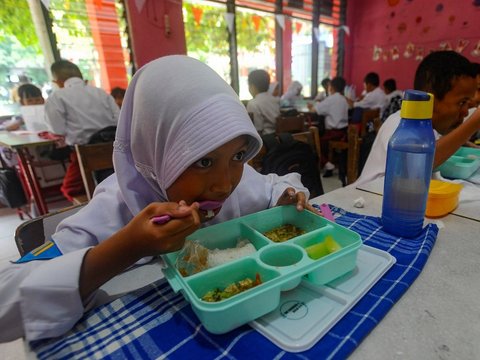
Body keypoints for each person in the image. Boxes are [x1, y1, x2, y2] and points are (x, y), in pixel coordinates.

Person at [0, 56, 316, 342]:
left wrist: (286, 195)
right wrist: (128, 247)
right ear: (155, 152)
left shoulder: (241, 180)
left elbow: (276, 184)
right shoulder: (113, 207)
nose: (223, 185)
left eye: (237, 155)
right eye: (203, 161)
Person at [356, 51, 480, 186]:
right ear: (430, 99)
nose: (465, 112)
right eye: (462, 103)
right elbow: (419, 164)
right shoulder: (401, 123)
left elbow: (438, 143)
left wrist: (466, 142)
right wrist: (473, 123)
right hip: (370, 197)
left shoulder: (428, 126)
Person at [44, 60, 120, 202]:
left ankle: (91, 209)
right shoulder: (100, 93)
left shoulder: (58, 96)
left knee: (70, 187)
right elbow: (118, 118)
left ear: (57, 81)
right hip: (113, 147)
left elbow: (57, 129)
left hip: (84, 152)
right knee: (113, 182)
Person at [308, 76, 349, 176]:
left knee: (314, 144)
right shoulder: (344, 99)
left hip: (333, 133)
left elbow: (314, 110)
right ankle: (328, 164)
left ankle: (328, 164)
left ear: (332, 87)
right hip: (344, 131)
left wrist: (310, 106)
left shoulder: (331, 99)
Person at [246, 69, 280, 136]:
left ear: (252, 87)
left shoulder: (253, 103)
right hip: (278, 138)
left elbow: (257, 130)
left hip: (265, 141)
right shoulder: (275, 100)